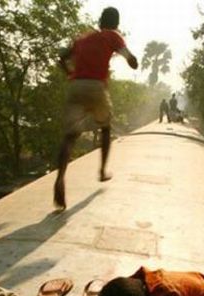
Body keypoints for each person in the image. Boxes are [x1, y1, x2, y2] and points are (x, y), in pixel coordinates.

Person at [53, 7, 138, 210]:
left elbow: (62, 57)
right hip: (96, 86)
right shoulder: (113, 37)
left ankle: (60, 178)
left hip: (76, 86)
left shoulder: (83, 39)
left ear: (100, 21)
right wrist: (133, 62)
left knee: (70, 136)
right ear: (116, 23)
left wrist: (69, 73)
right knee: (106, 127)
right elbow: (130, 59)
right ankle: (101, 170)